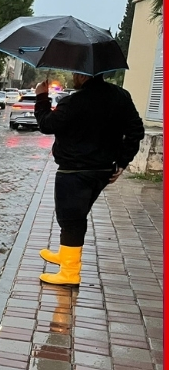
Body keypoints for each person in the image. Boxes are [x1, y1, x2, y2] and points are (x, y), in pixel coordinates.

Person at [34, 72, 144, 286]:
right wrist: (122, 162)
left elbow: (47, 124)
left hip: (74, 172)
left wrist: (42, 97)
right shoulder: (121, 96)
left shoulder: (74, 102)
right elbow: (136, 131)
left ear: (84, 75)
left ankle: (69, 272)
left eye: (76, 73)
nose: (74, 76)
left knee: (71, 220)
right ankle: (67, 254)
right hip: (102, 170)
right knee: (76, 217)